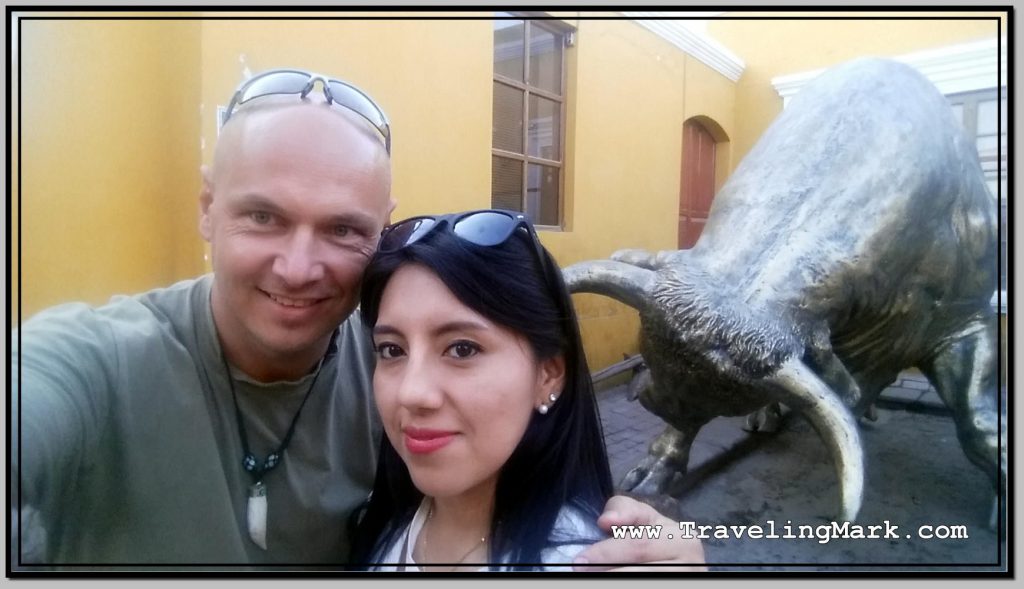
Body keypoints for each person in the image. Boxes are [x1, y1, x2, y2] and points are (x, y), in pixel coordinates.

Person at [12, 67, 704, 569]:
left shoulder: (386, 358)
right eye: (263, 216)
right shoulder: (96, 363)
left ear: (379, 230)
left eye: (343, 229)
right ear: (206, 207)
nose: (298, 266)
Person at [350, 210, 612, 571]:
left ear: (548, 375)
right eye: (392, 350)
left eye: (462, 348)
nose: (412, 393)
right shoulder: (382, 521)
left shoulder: (587, 561)